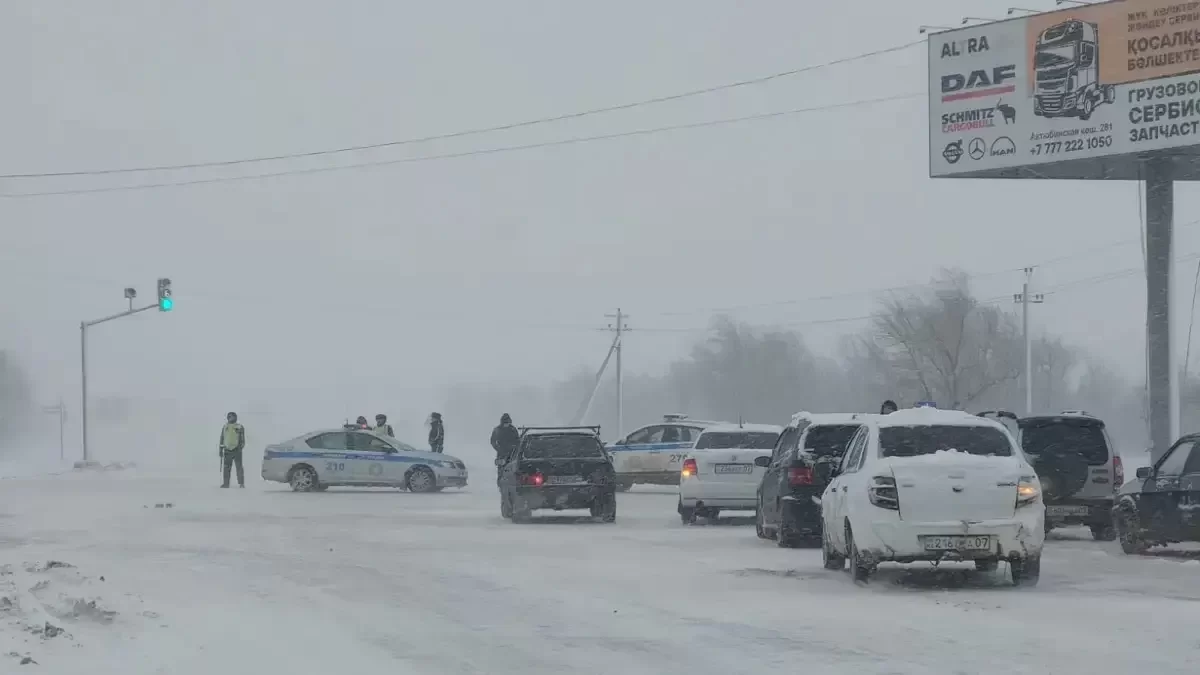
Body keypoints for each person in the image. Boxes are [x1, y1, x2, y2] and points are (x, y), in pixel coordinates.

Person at [218, 411, 246, 489]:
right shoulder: (225, 427)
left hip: (237, 450)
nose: (231, 418)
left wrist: (240, 448)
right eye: (229, 417)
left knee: (239, 468)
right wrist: (220, 449)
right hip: (227, 450)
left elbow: (242, 439)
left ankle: (241, 483)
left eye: (232, 417)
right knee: (226, 468)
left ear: (235, 417)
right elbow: (222, 438)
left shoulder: (239, 427)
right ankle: (226, 483)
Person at [490, 413, 520, 481]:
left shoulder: (513, 429)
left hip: (512, 454)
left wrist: (514, 448)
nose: (506, 423)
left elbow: (518, 441)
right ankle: (500, 482)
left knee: (512, 470)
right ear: (502, 422)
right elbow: (493, 441)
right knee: (501, 471)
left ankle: (511, 482)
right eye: (505, 422)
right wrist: (498, 448)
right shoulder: (497, 430)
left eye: (507, 422)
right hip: (501, 454)